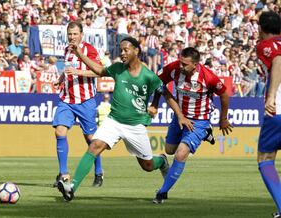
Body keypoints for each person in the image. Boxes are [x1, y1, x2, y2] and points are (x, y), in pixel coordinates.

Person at [57, 36, 194, 202]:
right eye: (120, 50)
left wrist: (177, 114)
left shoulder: (148, 76)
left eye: (125, 49)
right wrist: (79, 54)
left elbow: (165, 93)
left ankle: (162, 161)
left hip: (135, 126)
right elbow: (99, 70)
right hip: (114, 121)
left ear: (136, 51)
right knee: (94, 146)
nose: (122, 53)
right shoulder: (117, 69)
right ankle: (72, 188)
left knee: (147, 166)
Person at [149, 47, 233, 204]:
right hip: (179, 116)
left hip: (199, 120)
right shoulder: (173, 68)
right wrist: (154, 103)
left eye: (184, 64)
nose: (180, 66)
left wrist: (223, 119)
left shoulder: (208, 77)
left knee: (181, 154)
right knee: (170, 150)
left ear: (195, 64)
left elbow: (224, 94)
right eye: (180, 62)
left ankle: (161, 193)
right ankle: (164, 162)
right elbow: (158, 83)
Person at [52, 21, 104, 188]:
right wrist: (60, 79)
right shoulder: (67, 50)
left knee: (90, 139)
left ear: (81, 34)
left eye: (75, 34)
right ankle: (63, 174)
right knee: (60, 131)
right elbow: (68, 68)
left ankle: (99, 172)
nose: (72, 37)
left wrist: (78, 72)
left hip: (85, 100)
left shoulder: (89, 49)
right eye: (70, 34)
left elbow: (98, 71)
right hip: (67, 99)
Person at [256, 11, 281, 218]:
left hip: (278, 110)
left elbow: (278, 61)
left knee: (265, 157)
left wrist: (271, 96)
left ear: (260, 28)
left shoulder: (266, 46)